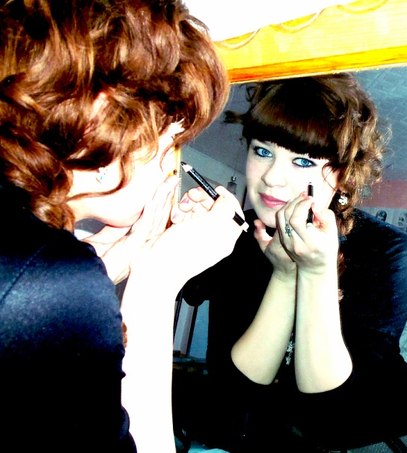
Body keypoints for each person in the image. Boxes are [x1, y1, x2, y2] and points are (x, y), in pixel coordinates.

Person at [0, 1, 245, 452]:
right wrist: (156, 280)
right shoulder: (50, 276)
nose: (170, 166)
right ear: (103, 122)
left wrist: (104, 265)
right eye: (170, 142)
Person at [181, 74, 407, 452]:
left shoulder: (388, 250)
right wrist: (282, 275)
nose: (272, 178)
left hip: (372, 438)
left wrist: (315, 272)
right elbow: (237, 389)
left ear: (342, 176)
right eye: (262, 151)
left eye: (301, 161)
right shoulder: (234, 233)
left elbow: (331, 413)